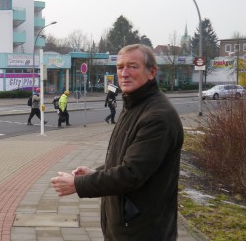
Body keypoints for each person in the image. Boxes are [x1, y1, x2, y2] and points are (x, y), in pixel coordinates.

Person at [50, 44, 184, 240]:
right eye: (120, 67)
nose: (125, 73)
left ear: (151, 72)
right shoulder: (134, 105)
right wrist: (97, 173)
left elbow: (131, 174)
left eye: (133, 66)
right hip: (127, 226)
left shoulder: (157, 116)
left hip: (143, 231)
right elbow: (128, 158)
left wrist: (79, 184)